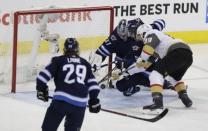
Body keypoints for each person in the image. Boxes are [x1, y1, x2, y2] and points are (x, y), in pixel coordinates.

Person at [89, 18, 168, 96]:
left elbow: (161, 22)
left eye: (125, 35)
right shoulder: (115, 36)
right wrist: (95, 63)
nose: (123, 38)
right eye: (121, 36)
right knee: (120, 84)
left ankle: (165, 83)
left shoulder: (140, 30)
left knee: (150, 76)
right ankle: (132, 85)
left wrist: (154, 25)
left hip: (147, 61)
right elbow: (102, 51)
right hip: (128, 62)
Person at [36, 38, 101, 131]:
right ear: (77, 50)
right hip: (80, 104)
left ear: (64, 50)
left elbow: (42, 77)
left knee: (48, 129)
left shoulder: (58, 60)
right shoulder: (85, 63)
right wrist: (94, 100)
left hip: (61, 101)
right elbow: (93, 85)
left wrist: (41, 89)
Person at [135, 24, 193, 110]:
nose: (141, 39)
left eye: (140, 36)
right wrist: (126, 72)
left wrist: (141, 59)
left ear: (143, 33)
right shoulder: (162, 38)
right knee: (174, 77)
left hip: (176, 52)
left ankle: (157, 103)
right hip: (187, 54)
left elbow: (148, 50)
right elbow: (147, 63)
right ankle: (185, 98)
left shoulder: (151, 33)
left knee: (155, 76)